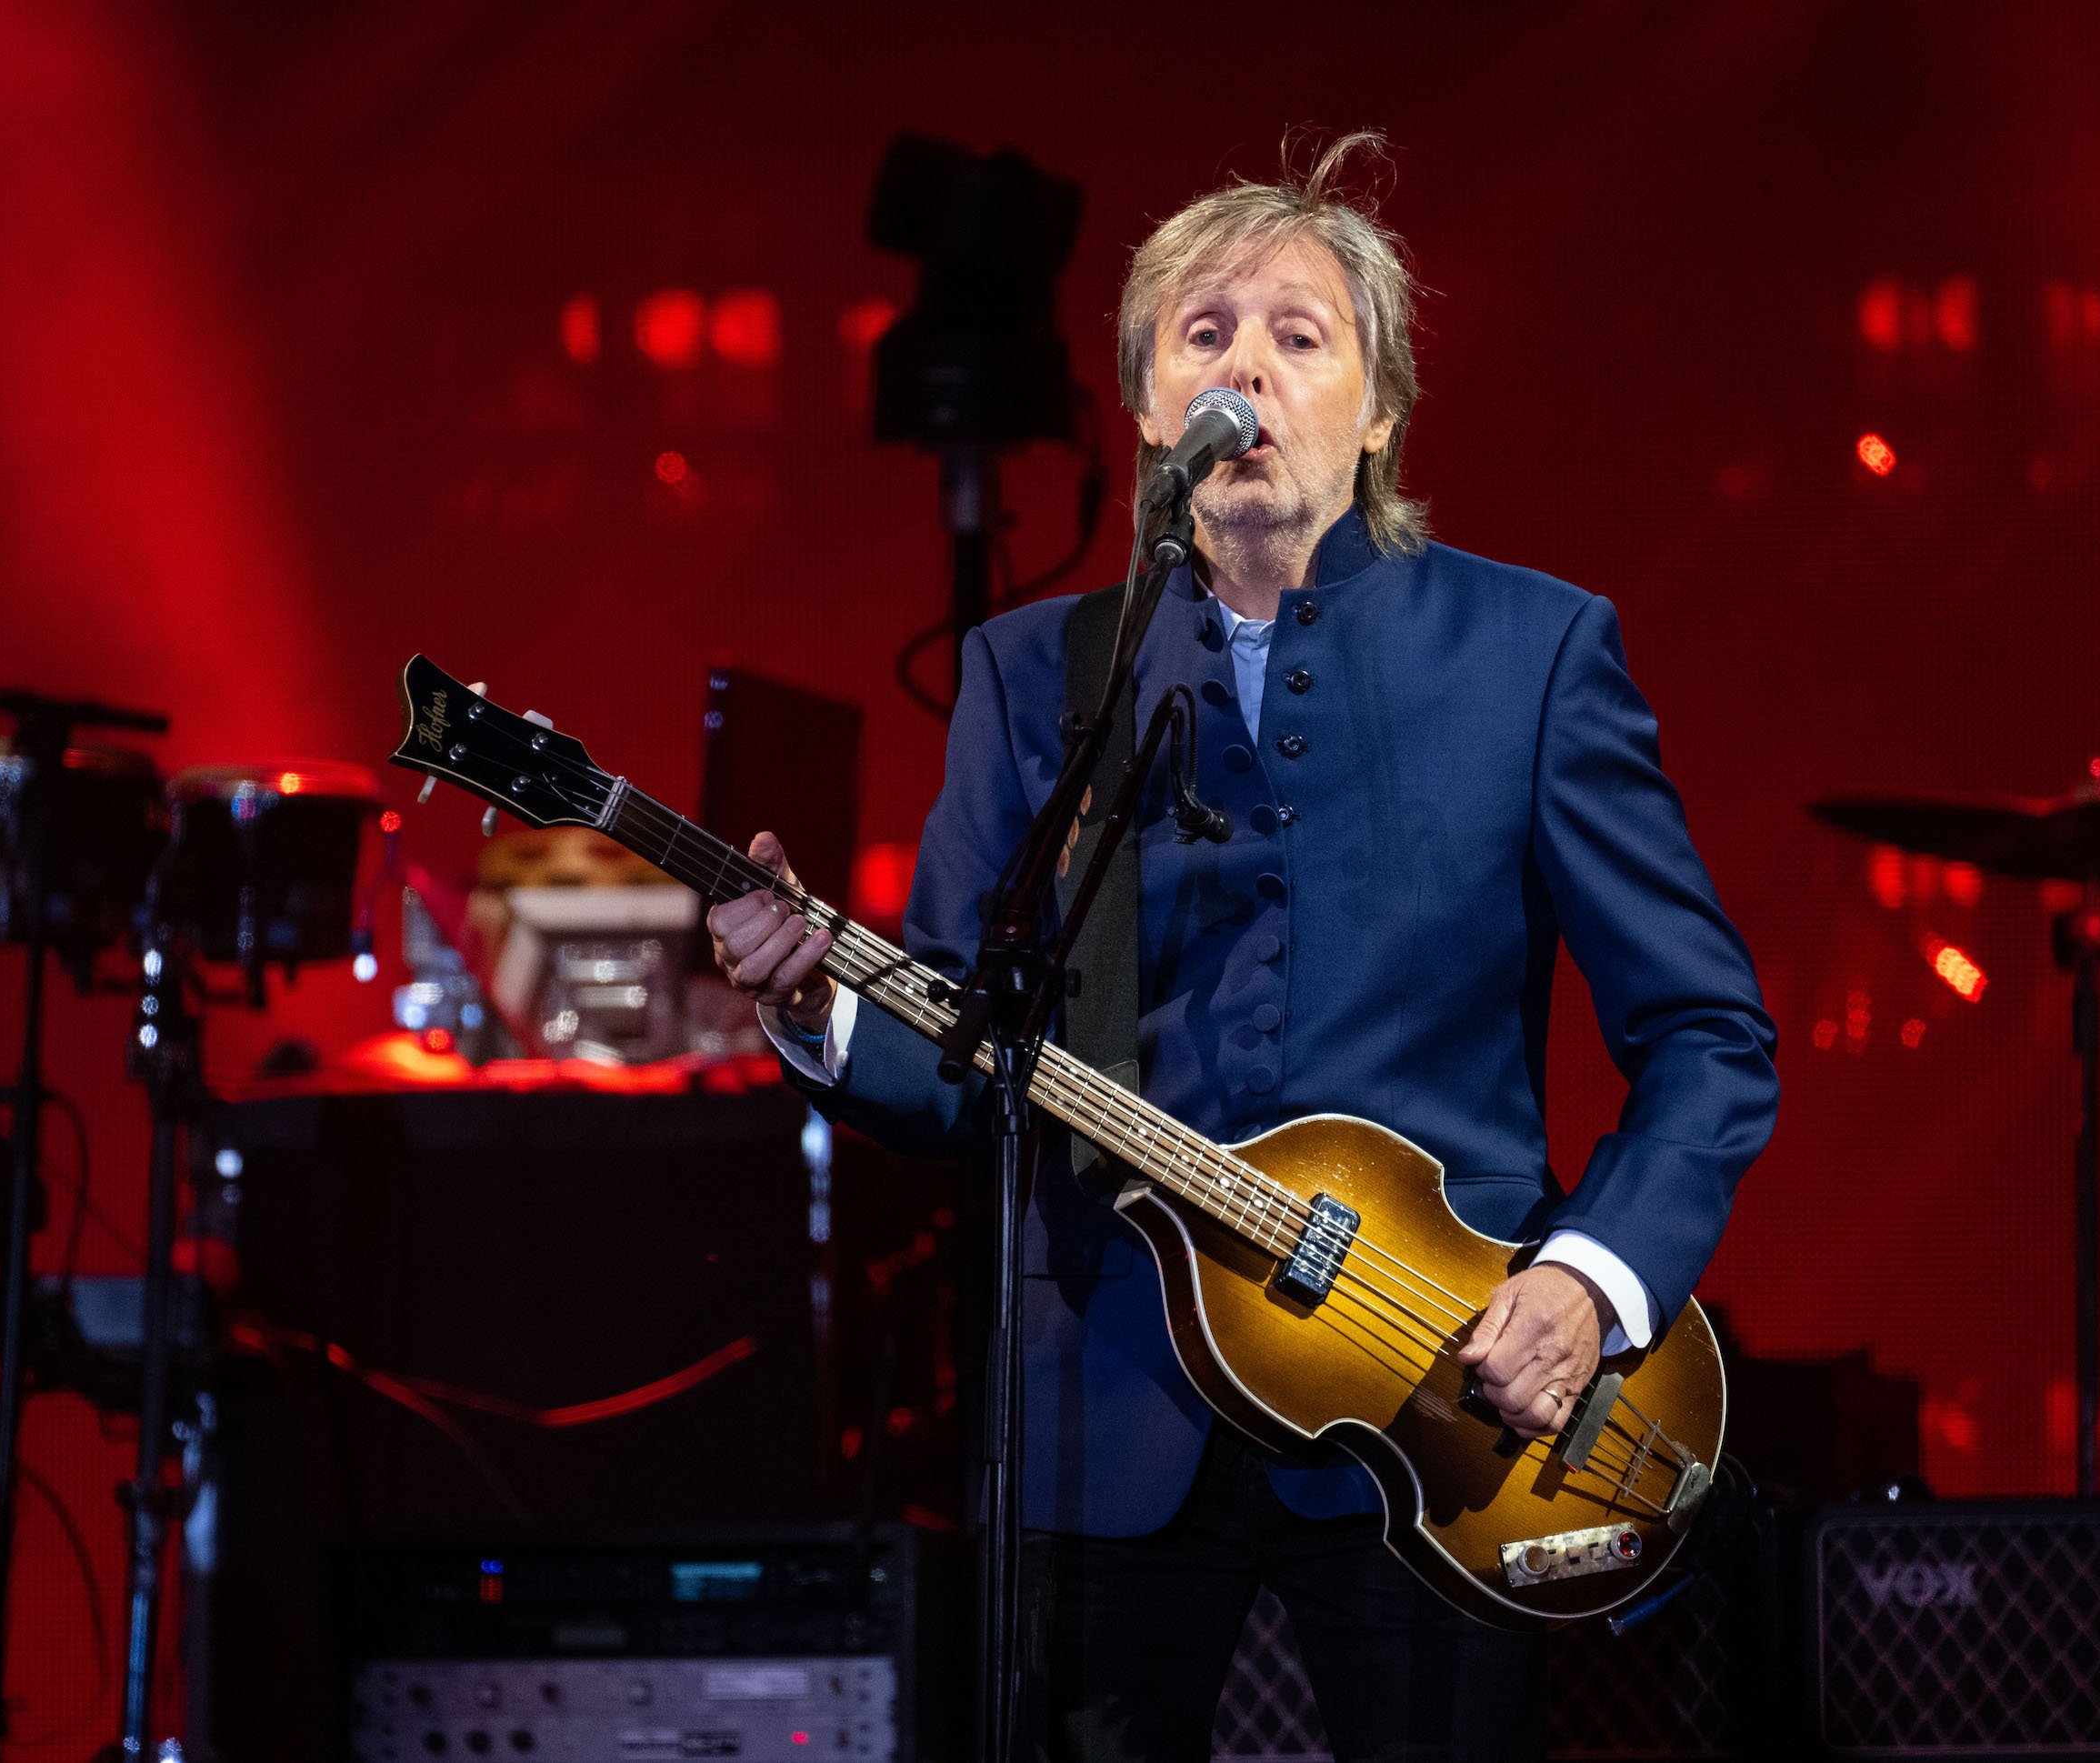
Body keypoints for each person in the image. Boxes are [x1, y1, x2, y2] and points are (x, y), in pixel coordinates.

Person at [709, 134, 1778, 1763]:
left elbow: (1705, 1033)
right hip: (1104, 1416)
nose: (1247, 368)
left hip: (1451, 1397)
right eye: (1202, 335)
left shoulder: (1532, 651)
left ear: (1381, 409)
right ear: (1147, 411)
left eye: (1299, 333)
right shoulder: (1035, 676)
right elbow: (959, 1050)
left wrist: (1587, 1282)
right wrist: (816, 1015)